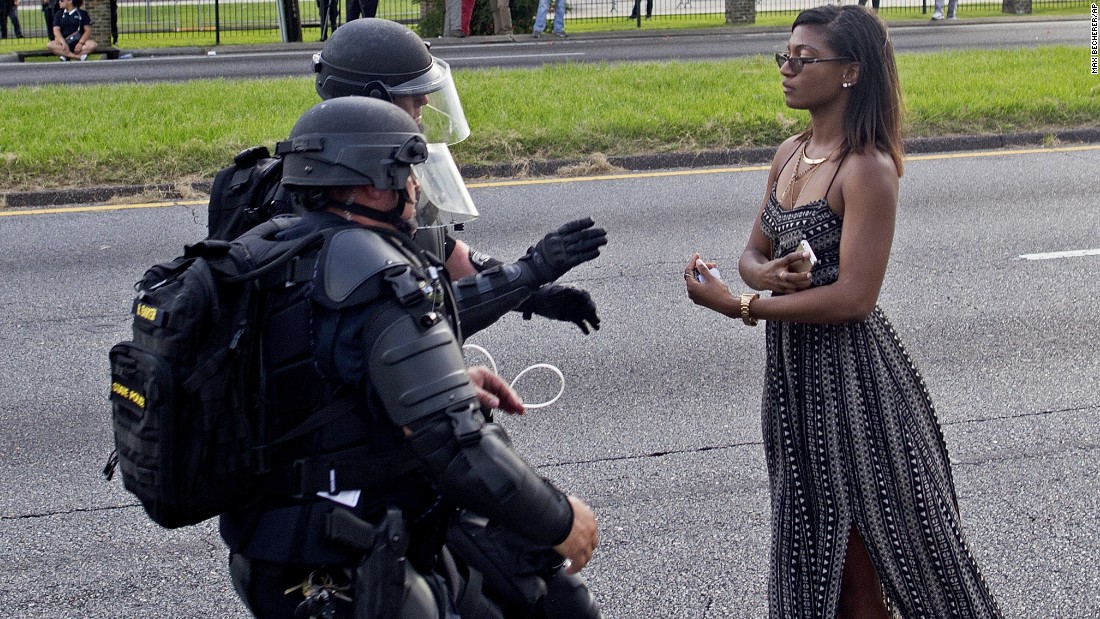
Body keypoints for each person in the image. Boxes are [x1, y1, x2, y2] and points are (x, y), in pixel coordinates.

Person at [219, 95, 600, 618]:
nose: (417, 188)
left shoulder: (272, 245)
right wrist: (561, 520)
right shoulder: (369, 270)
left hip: (270, 545)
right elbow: (456, 445)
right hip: (343, 554)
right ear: (375, 183)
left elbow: (310, 378)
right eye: (409, 174)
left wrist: (436, 376)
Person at [685, 6, 1002, 618]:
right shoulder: (791, 153)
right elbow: (755, 250)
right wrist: (764, 275)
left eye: (805, 58)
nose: (788, 68)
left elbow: (857, 297)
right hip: (796, 384)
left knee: (866, 562)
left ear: (851, 72)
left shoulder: (868, 169)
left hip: (854, 389)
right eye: (786, 55)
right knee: (820, 556)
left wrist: (742, 304)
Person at [312, 20, 606, 618]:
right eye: (413, 94)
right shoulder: (345, 197)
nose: (424, 106)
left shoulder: (363, 176)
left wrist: (531, 291)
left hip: (374, 439)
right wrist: (529, 272)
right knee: (550, 600)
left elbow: (451, 261)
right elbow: (415, 311)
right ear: (372, 97)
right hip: (355, 472)